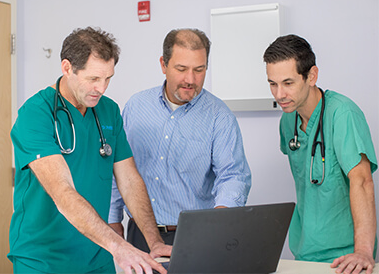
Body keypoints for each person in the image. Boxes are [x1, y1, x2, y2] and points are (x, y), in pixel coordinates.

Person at [9, 27, 171, 274]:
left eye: (108, 78)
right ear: (67, 68)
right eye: (93, 79)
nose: (102, 88)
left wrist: (155, 241)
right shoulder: (35, 114)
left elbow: (129, 180)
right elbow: (62, 192)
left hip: (97, 256)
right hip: (43, 261)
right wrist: (120, 247)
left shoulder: (108, 111)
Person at [108, 28, 252, 252]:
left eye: (199, 70)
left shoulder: (219, 117)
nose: (190, 79)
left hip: (194, 237)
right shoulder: (136, 107)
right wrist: (112, 217)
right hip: (139, 234)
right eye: (181, 69)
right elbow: (119, 168)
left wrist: (220, 222)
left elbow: (233, 175)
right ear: (163, 65)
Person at [264, 34, 377, 274]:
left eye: (288, 83)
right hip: (304, 253)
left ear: (311, 76)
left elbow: (362, 181)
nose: (279, 94)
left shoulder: (342, 114)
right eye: (272, 83)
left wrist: (364, 251)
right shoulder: (288, 120)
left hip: (347, 257)